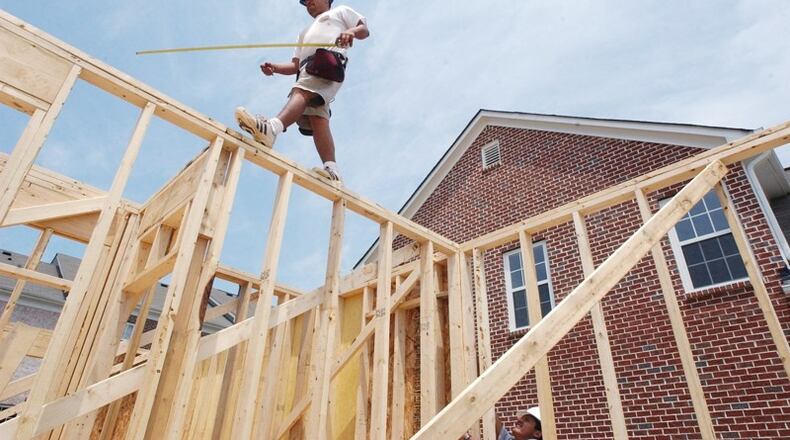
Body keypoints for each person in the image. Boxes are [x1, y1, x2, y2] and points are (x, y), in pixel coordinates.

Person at [235, 0, 369, 182]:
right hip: (307, 69)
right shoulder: (304, 32)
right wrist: (275, 68)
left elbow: (364, 29)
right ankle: (332, 170)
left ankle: (272, 129)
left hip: (326, 62)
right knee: (318, 119)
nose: (308, 3)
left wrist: (351, 32)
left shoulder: (340, 11)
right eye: (305, 2)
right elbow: (295, 65)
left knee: (301, 92)